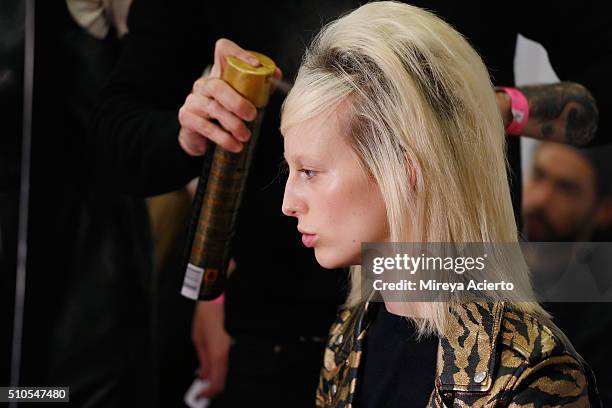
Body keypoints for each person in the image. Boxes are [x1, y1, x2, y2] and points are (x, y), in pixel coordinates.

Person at [280, 3, 600, 407]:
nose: (288, 203)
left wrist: (479, 110)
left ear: (403, 169)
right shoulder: (348, 340)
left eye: (309, 171)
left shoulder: (530, 375)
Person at [523, 142, 612, 404]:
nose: (541, 199)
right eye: (538, 175)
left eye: (566, 188)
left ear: (604, 210)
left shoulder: (600, 317)